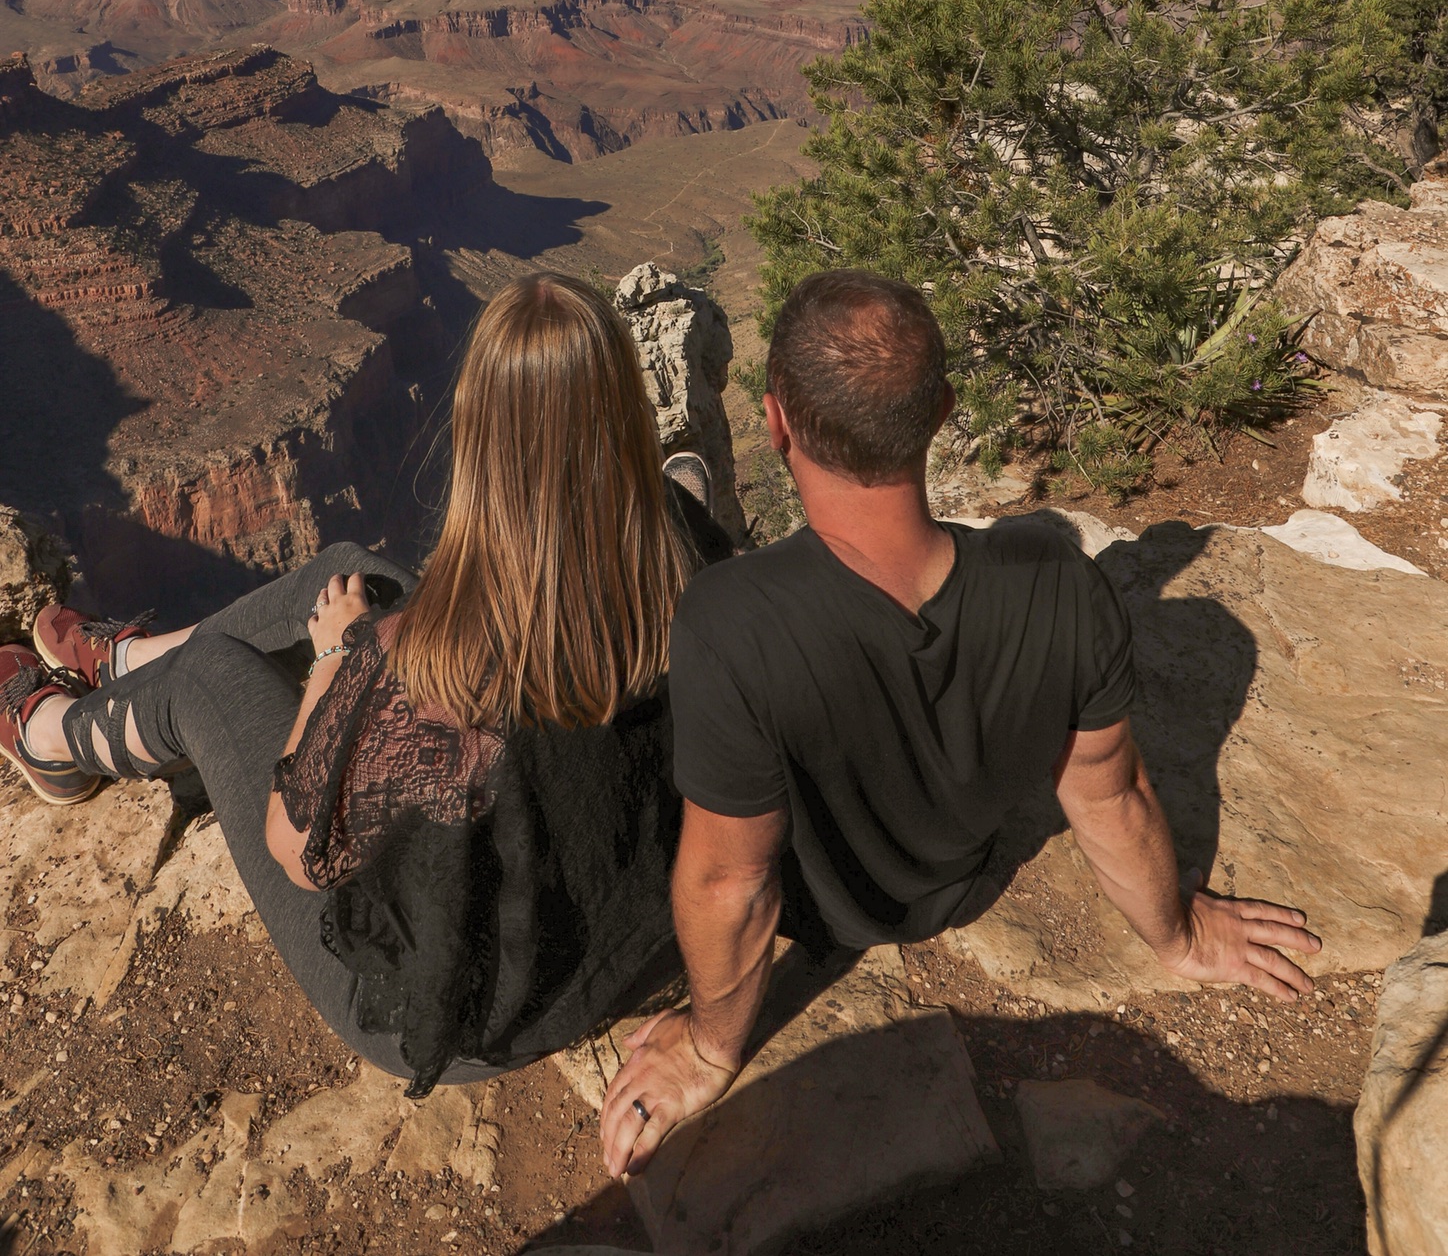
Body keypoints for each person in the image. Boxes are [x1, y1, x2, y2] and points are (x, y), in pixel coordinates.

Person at [601, 268, 1322, 1175]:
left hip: (815, 920)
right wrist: (1176, 934)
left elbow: (729, 886)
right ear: (942, 412)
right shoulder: (1058, 579)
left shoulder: (729, 618)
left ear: (775, 420)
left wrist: (708, 1051)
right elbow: (1112, 794)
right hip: (964, 882)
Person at [0, 272, 732, 1098]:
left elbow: (301, 848)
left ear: (477, 436)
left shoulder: (426, 664)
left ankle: (52, 736)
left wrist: (334, 663)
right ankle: (128, 663)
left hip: (471, 1009)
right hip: (630, 932)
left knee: (211, 678)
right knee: (348, 569)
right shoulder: (683, 546)